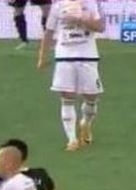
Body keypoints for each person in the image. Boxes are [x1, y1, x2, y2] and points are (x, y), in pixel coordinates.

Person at [37, 0, 105, 151]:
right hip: (64, 57)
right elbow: (49, 32)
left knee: (91, 97)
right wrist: (42, 57)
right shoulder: (58, 6)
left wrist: (80, 19)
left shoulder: (91, 4)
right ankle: (72, 139)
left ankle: (85, 123)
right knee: (67, 97)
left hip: (88, 56)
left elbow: (101, 27)